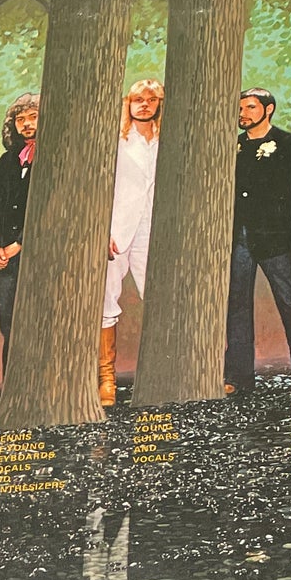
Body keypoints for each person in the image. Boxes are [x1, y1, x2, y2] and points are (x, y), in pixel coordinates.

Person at [224, 87, 291, 393]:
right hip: (238, 237)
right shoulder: (232, 146)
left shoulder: (289, 144)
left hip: (275, 237)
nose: (243, 114)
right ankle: (238, 378)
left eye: (250, 107)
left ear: (268, 110)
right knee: (237, 306)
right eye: (240, 108)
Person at [100, 78, 163, 406]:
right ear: (129, 103)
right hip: (117, 231)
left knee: (157, 295)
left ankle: (159, 372)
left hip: (153, 228)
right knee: (107, 300)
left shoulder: (166, 139)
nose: (145, 105)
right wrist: (103, 229)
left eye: (152, 99)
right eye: (139, 99)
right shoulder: (117, 140)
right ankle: (106, 378)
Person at [0, 92, 38, 372]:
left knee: (36, 321)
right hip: (7, 261)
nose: (26, 124)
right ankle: (11, 385)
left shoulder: (55, 158)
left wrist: (20, 243)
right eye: (20, 119)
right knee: (9, 324)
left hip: (37, 256)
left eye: (33, 117)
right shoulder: (7, 161)